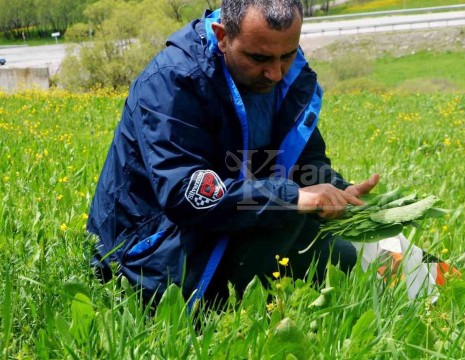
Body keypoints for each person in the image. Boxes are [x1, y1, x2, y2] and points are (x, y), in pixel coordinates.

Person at [87, 0, 379, 306]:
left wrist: (334, 189)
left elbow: (305, 161)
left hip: (238, 215)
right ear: (223, 36)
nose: (276, 73)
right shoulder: (173, 82)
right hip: (149, 249)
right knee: (300, 228)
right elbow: (185, 194)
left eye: (287, 55)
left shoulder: (290, 78)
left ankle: (428, 281)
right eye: (259, 58)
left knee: (347, 256)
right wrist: (291, 198)